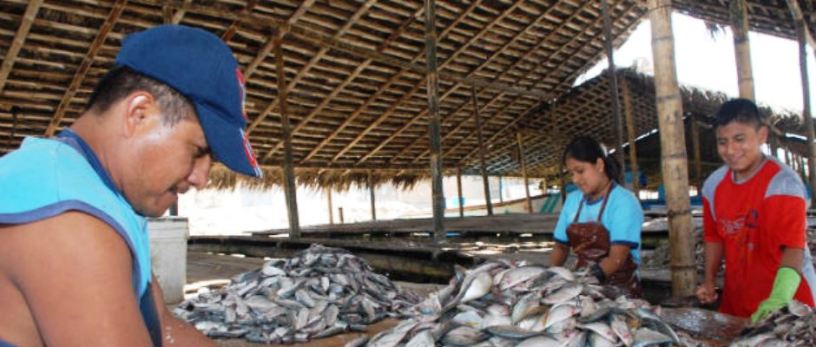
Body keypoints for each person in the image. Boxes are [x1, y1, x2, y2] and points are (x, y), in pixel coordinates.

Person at [0, 25, 263, 346]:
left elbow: (163, 327)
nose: (202, 178)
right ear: (139, 114)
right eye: (198, 151)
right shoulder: (68, 219)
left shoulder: (99, 193)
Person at [696, 98, 816, 322]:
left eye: (739, 139)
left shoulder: (782, 184)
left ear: (761, 135)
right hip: (738, 300)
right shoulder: (713, 185)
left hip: (791, 302)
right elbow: (714, 237)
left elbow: (793, 248)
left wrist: (779, 298)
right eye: (722, 142)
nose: (730, 150)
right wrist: (709, 281)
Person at [549, 136, 644, 297]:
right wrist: (549, 277)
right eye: (571, 173)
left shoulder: (623, 201)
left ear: (599, 165)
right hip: (584, 284)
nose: (575, 180)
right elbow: (560, 247)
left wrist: (582, 283)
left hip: (621, 290)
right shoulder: (573, 201)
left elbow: (617, 258)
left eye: (580, 171)